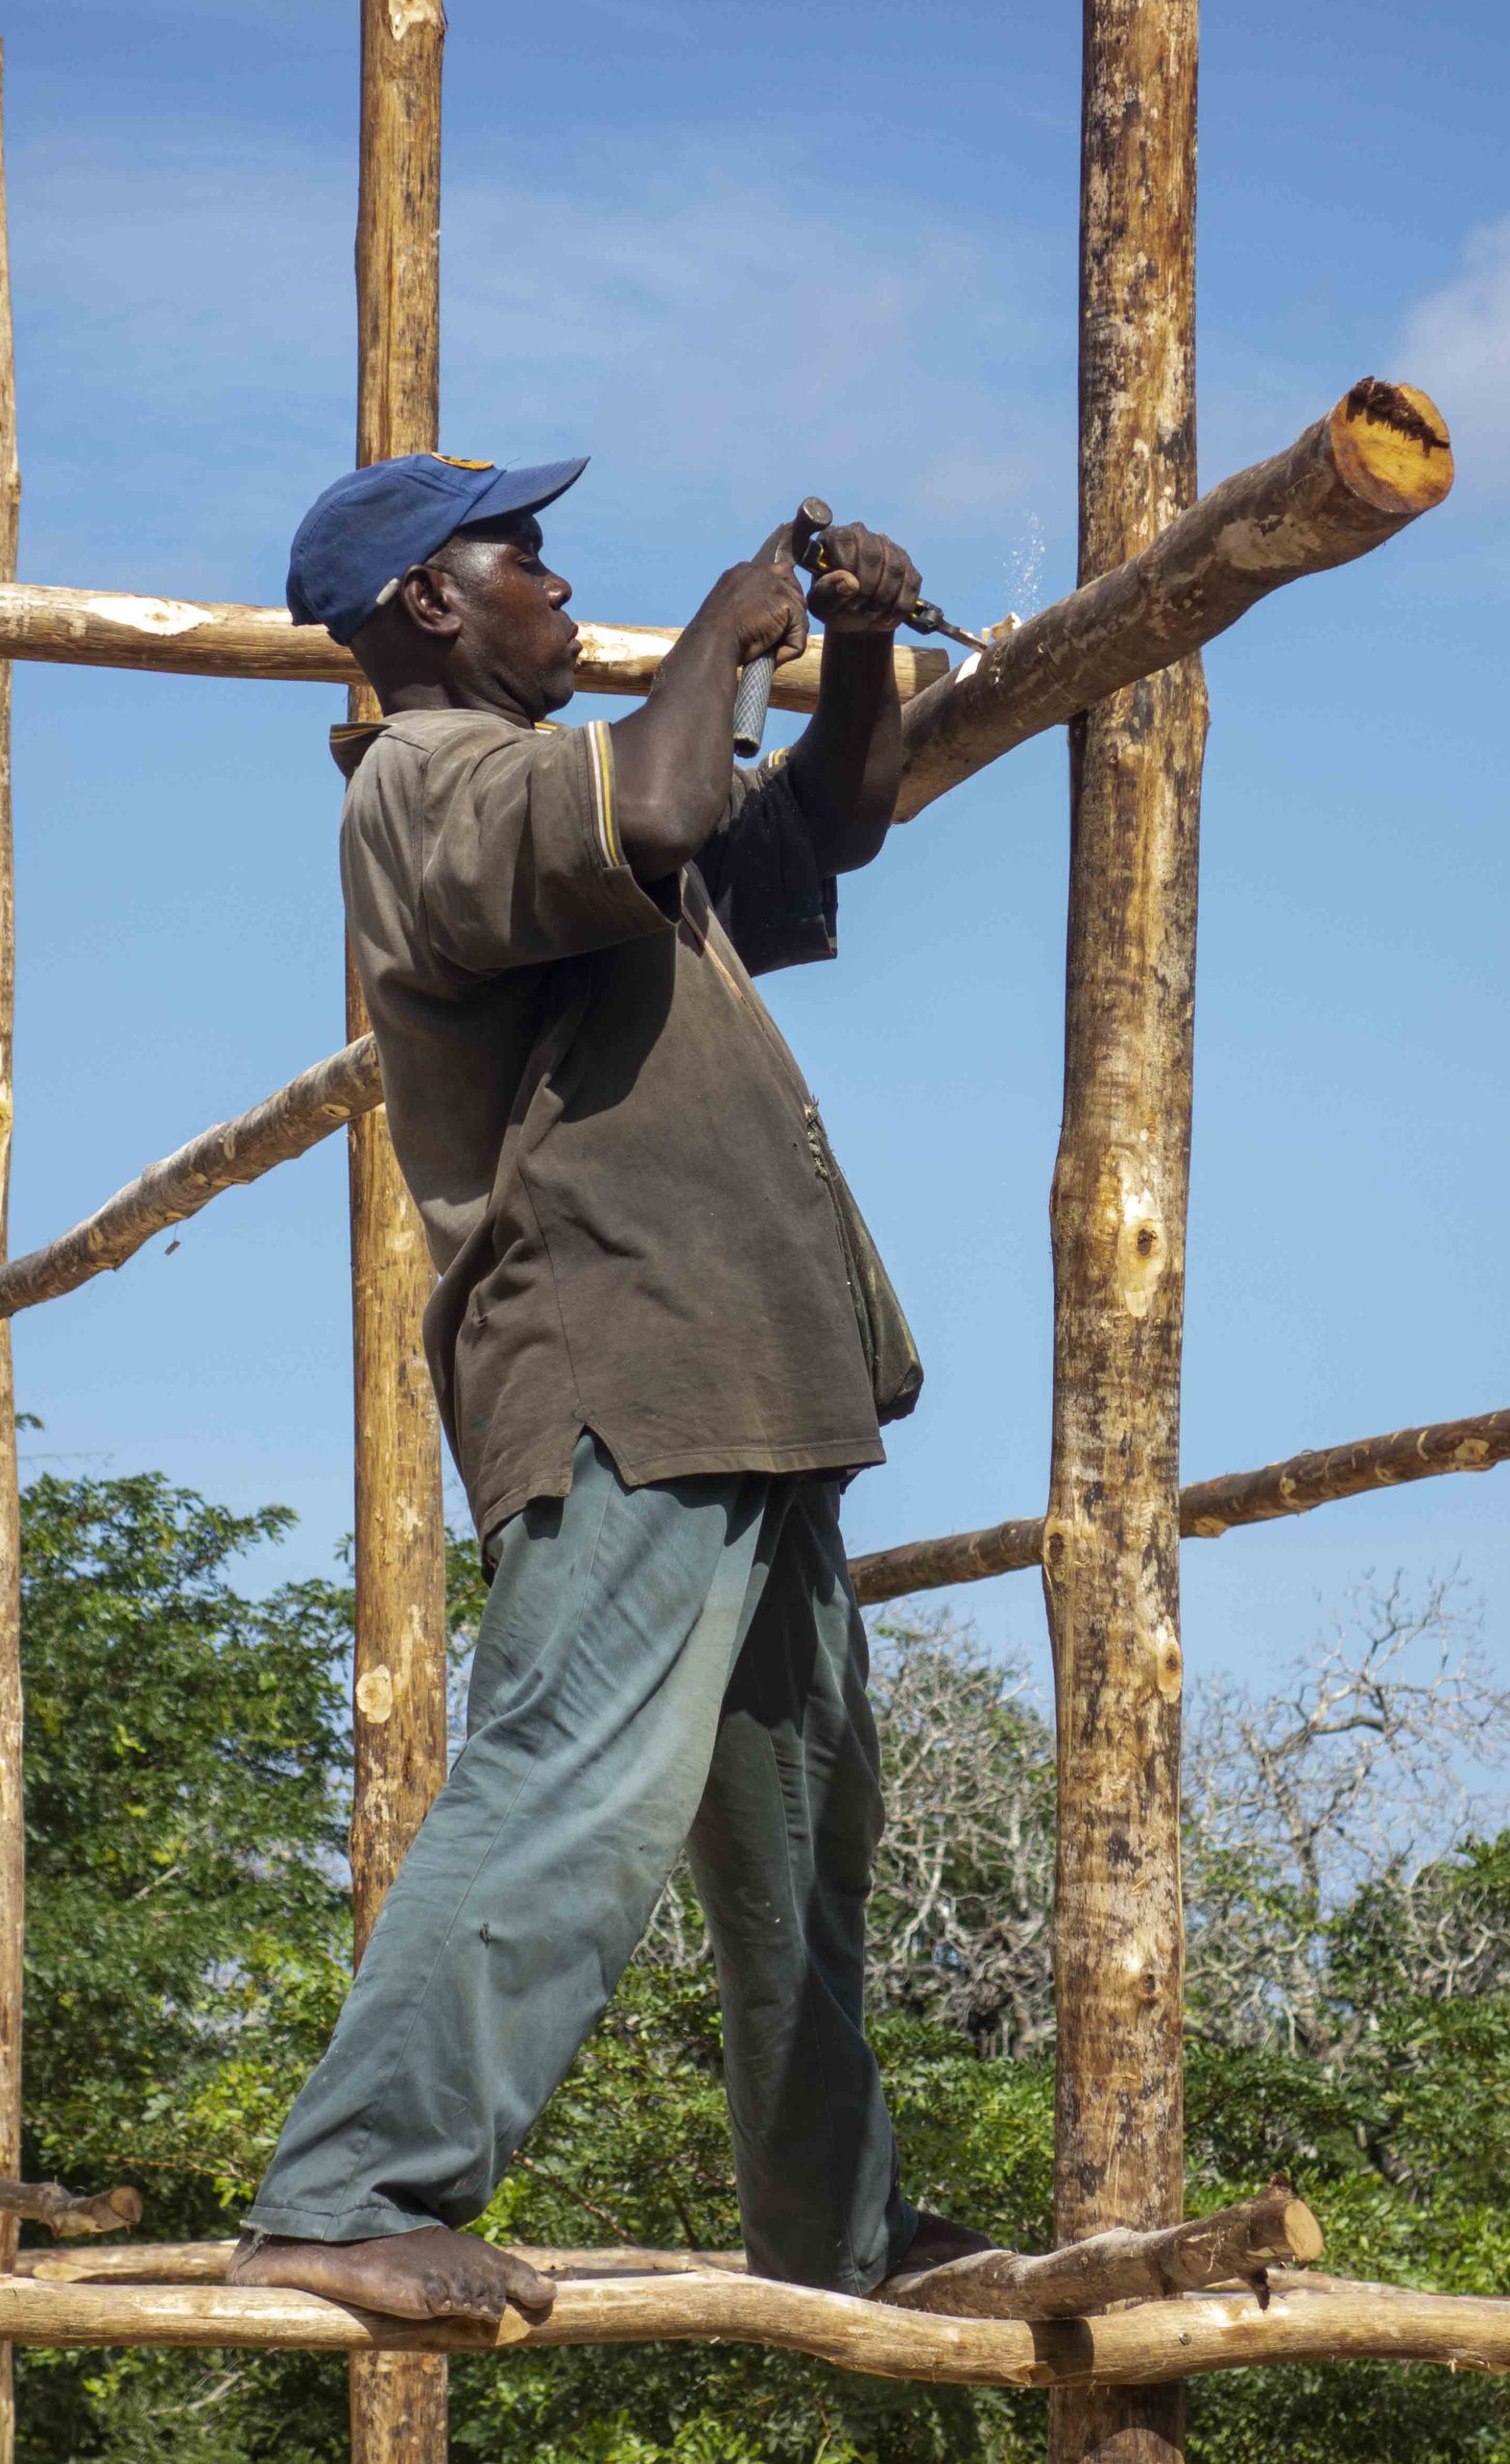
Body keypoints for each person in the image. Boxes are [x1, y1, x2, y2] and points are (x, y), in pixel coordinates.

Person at [228, 449, 987, 2325]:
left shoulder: (570, 798)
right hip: (621, 1369)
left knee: (801, 1852)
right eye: (528, 558)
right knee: (570, 1789)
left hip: (750, 1378)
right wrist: (739, 619)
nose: (564, 589)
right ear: (428, 603)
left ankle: (842, 2229)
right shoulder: (438, 787)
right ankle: (351, 2192)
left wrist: (862, 650)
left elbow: (824, 829)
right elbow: (661, 790)